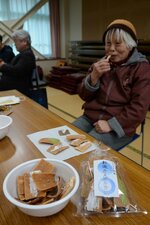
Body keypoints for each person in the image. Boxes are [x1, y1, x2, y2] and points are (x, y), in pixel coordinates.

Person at [72, 19, 150, 150]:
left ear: (130, 45)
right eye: (108, 43)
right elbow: (83, 96)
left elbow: (139, 108)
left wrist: (111, 125)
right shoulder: (99, 64)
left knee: (87, 149)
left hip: (120, 125)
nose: (111, 49)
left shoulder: (141, 69)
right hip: (89, 118)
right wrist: (94, 76)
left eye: (118, 43)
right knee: (67, 137)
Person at [0, 30, 36, 95]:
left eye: (16, 41)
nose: (15, 44)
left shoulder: (27, 55)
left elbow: (16, 71)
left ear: (24, 42)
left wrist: (3, 65)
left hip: (18, 89)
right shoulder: (23, 54)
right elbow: (14, 67)